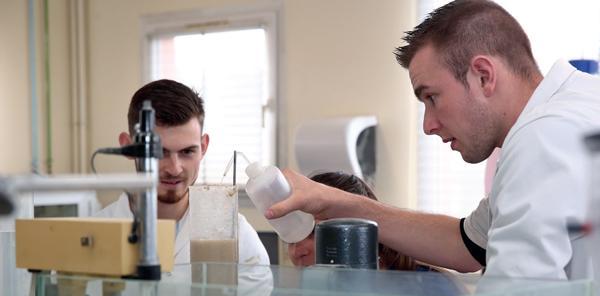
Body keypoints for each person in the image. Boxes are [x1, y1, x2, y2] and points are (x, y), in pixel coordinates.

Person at [267, 0, 600, 280]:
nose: (428, 125)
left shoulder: (543, 137)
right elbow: (467, 244)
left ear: (483, 76)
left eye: (432, 97)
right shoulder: (571, 111)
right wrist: (335, 202)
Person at [95, 79, 270, 266]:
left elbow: (257, 294)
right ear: (128, 147)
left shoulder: (237, 235)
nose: (174, 168)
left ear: (203, 147)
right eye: (158, 152)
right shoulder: (95, 235)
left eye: (187, 152)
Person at [289, 171, 434, 271]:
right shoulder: (321, 295)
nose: (296, 252)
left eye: (315, 232)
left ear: (360, 232)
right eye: (289, 238)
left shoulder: (423, 291)